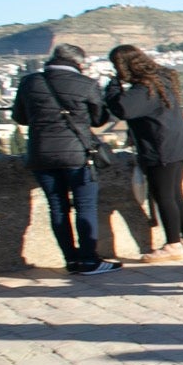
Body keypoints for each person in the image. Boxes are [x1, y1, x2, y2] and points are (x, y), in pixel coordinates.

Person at [12, 44, 121, 274]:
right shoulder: (85, 84)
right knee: (85, 206)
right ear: (79, 63)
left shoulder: (29, 82)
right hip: (77, 154)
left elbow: (20, 117)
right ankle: (89, 260)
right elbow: (99, 119)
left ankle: (70, 259)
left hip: (40, 153)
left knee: (57, 208)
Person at [104, 45, 183, 262]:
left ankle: (173, 244)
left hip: (161, 147)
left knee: (164, 195)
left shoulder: (144, 88)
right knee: (176, 193)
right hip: (179, 144)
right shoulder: (162, 79)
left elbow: (123, 109)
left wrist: (112, 86)